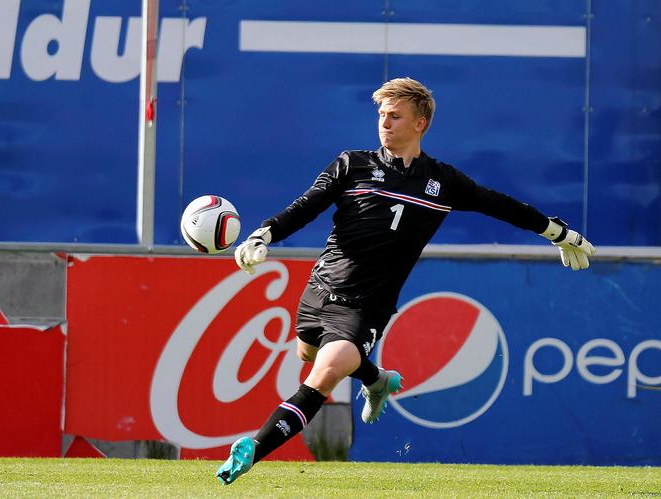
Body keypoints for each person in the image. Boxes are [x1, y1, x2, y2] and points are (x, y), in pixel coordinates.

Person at [215, 77, 595, 485]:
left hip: (365, 307)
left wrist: (557, 232)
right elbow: (307, 205)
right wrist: (265, 233)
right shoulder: (352, 165)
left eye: (395, 116)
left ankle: (254, 448)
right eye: (381, 114)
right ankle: (376, 379)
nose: (385, 123)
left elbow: (499, 204)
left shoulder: (441, 182)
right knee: (307, 354)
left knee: (325, 373)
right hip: (318, 289)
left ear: (420, 123)